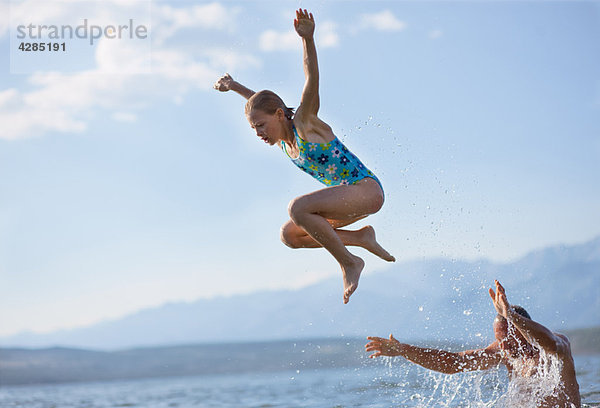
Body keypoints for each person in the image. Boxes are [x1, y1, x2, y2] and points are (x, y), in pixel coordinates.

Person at [214, 9, 395, 304]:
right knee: (290, 235)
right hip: (347, 205)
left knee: (297, 208)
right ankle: (362, 238)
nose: (258, 132)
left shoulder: (305, 123)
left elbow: (312, 78)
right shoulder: (286, 143)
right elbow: (256, 101)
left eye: (260, 125)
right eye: (253, 128)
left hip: (366, 191)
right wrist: (233, 86)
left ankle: (349, 262)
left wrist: (307, 40)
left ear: (278, 114)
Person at [365, 280, 581, 408]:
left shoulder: (557, 349)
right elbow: (453, 362)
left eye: (507, 339)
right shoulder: (504, 353)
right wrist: (404, 350)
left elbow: (551, 343)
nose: (502, 346)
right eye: (499, 340)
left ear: (524, 332)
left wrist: (511, 316)